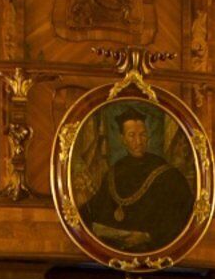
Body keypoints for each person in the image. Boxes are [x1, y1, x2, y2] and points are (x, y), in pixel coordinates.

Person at [77, 104, 192, 253]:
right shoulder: (114, 171)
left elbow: (182, 214)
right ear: (122, 139)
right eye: (132, 135)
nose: (138, 141)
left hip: (152, 250)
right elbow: (98, 206)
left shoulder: (168, 175)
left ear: (148, 137)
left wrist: (148, 236)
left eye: (142, 135)